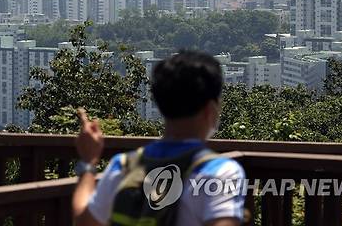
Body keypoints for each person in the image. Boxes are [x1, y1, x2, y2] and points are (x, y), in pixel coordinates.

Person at [72, 50, 245, 226]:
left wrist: (88, 163)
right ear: (210, 109)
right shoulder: (219, 172)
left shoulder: (123, 166)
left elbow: (84, 220)